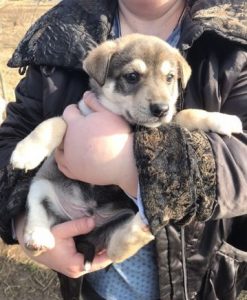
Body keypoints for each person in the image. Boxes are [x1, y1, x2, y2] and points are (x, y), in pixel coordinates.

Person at [0, 0, 246, 299]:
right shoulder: (60, 28)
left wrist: (125, 163)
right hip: (88, 276)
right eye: (133, 77)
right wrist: (24, 220)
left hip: (195, 281)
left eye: (170, 79)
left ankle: (125, 239)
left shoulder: (235, 34)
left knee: (128, 226)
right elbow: (19, 135)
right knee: (42, 188)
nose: (159, 99)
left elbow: (228, 154)